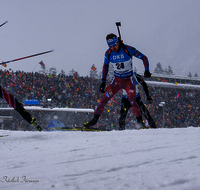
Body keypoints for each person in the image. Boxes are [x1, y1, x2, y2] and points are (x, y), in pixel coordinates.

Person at [82, 33, 151, 129]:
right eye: (110, 46)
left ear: (117, 42)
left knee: (132, 101)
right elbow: (105, 66)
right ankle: (94, 120)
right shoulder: (108, 53)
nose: (112, 47)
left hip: (128, 81)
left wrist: (147, 70)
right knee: (103, 100)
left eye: (114, 45)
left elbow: (144, 57)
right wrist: (103, 81)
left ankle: (141, 123)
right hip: (116, 81)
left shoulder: (128, 49)